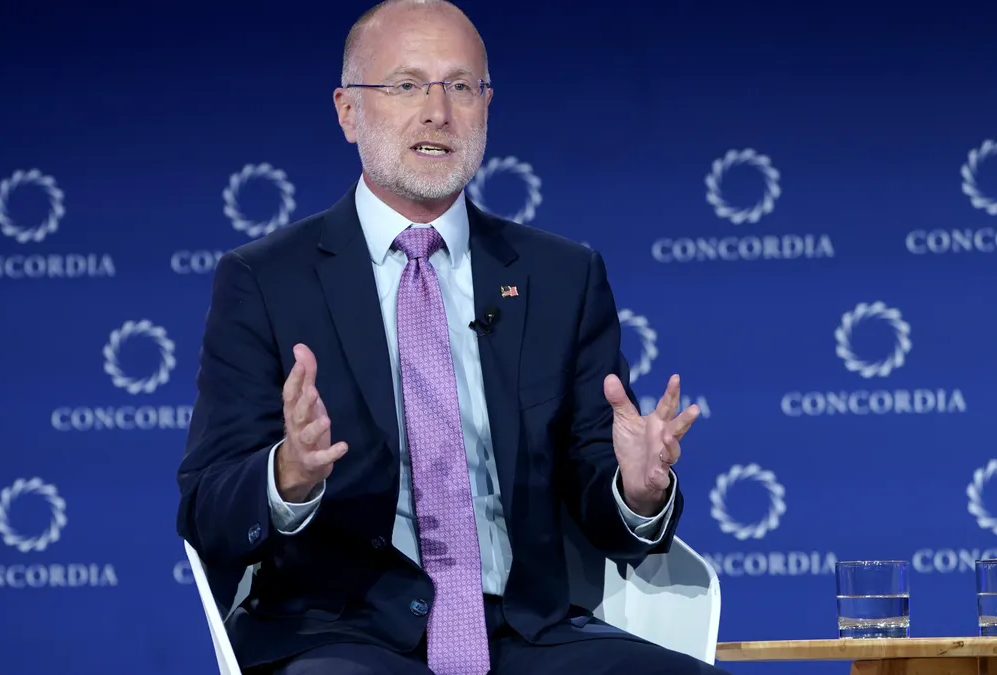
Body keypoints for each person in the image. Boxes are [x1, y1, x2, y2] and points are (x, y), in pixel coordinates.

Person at [176, 1, 730, 673]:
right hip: (341, 633)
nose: (439, 110)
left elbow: (598, 485)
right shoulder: (265, 280)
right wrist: (287, 477)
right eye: (407, 85)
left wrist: (635, 491)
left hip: (527, 630)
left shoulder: (561, 275)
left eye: (461, 86)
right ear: (348, 110)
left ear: (486, 108)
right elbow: (206, 504)